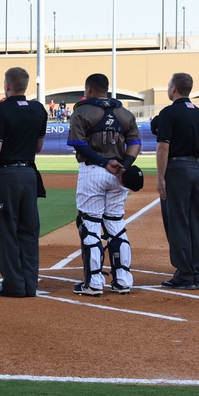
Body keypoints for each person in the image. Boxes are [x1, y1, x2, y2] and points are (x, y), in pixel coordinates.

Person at [67, 73, 142, 296]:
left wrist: (104, 162)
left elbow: (78, 144)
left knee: (89, 224)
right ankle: (123, 280)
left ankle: (94, 282)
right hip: (119, 176)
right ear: (106, 89)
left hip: (93, 171)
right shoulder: (124, 112)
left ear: (89, 89)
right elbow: (135, 142)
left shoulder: (81, 112)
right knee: (116, 223)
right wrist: (123, 166)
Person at [0, 67, 47, 297]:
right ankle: (30, 284)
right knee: (29, 231)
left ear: (7, 85)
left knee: (6, 230)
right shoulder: (39, 109)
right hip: (29, 174)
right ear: (25, 85)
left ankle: (14, 285)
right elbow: (38, 147)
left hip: (7, 175)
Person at [154, 72, 199, 289]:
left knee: (177, 222)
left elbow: (163, 147)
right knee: (196, 222)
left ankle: (185, 275)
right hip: (196, 168)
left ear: (174, 88)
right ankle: (196, 272)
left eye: (169, 86)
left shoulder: (169, 113)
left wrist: (160, 178)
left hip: (177, 169)